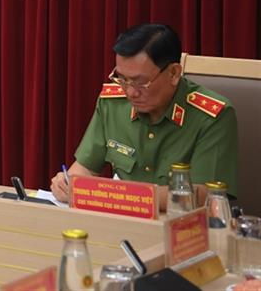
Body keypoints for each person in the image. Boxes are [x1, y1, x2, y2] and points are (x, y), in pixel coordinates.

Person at [51, 23, 239, 210]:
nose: (130, 92)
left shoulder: (212, 116)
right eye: (122, 79)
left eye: (140, 82)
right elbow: (85, 167)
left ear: (174, 73)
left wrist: (117, 195)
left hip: (182, 230)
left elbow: (205, 194)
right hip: (118, 223)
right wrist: (68, 185)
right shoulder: (113, 103)